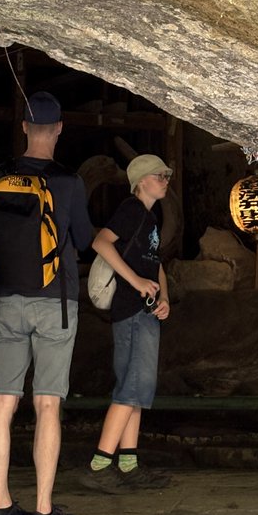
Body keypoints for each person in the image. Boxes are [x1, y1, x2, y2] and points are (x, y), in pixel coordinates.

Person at [0, 91, 93, 515]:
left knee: (3, 401)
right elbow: (84, 239)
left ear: (25, 127)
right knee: (47, 403)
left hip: (9, 299)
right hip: (55, 303)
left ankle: (1, 509)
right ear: (60, 128)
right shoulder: (68, 182)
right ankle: (44, 513)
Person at [87, 154, 171, 489]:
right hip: (132, 311)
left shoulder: (150, 217)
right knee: (132, 387)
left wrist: (164, 298)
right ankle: (99, 466)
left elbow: (156, 263)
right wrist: (136, 282)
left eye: (166, 175)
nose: (165, 180)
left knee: (135, 388)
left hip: (144, 311)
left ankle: (128, 464)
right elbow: (100, 242)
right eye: (159, 175)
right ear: (141, 181)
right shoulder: (131, 209)